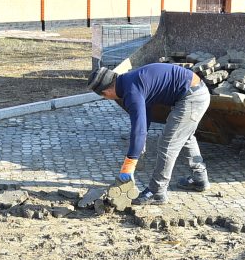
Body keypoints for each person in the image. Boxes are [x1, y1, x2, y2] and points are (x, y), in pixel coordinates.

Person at [88, 62, 211, 206]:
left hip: (192, 97)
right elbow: (144, 116)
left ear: (106, 93)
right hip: (195, 91)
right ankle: (200, 178)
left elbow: (138, 129)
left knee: (167, 143)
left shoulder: (131, 91)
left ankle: (157, 191)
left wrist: (129, 164)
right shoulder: (129, 81)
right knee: (185, 136)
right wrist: (141, 142)